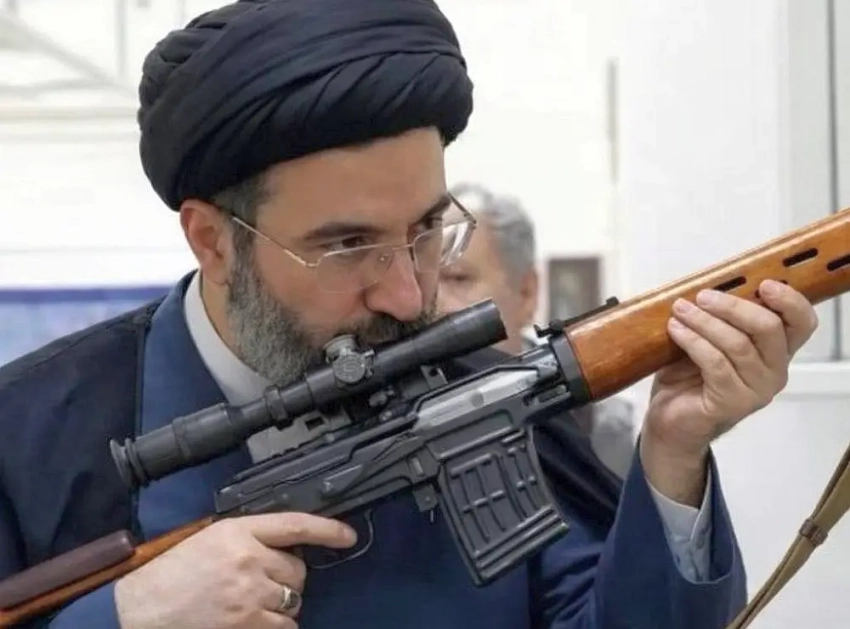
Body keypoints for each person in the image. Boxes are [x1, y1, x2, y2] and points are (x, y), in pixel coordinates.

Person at [0, 1, 820, 628]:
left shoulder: (492, 407)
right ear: (214, 241)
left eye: (428, 229)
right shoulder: (31, 436)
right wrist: (124, 615)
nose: (406, 295)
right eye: (347, 244)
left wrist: (673, 454)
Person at [437, 182, 637, 478]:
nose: (434, 306)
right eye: (423, 284)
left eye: (457, 278)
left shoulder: (600, 428)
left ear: (526, 293)